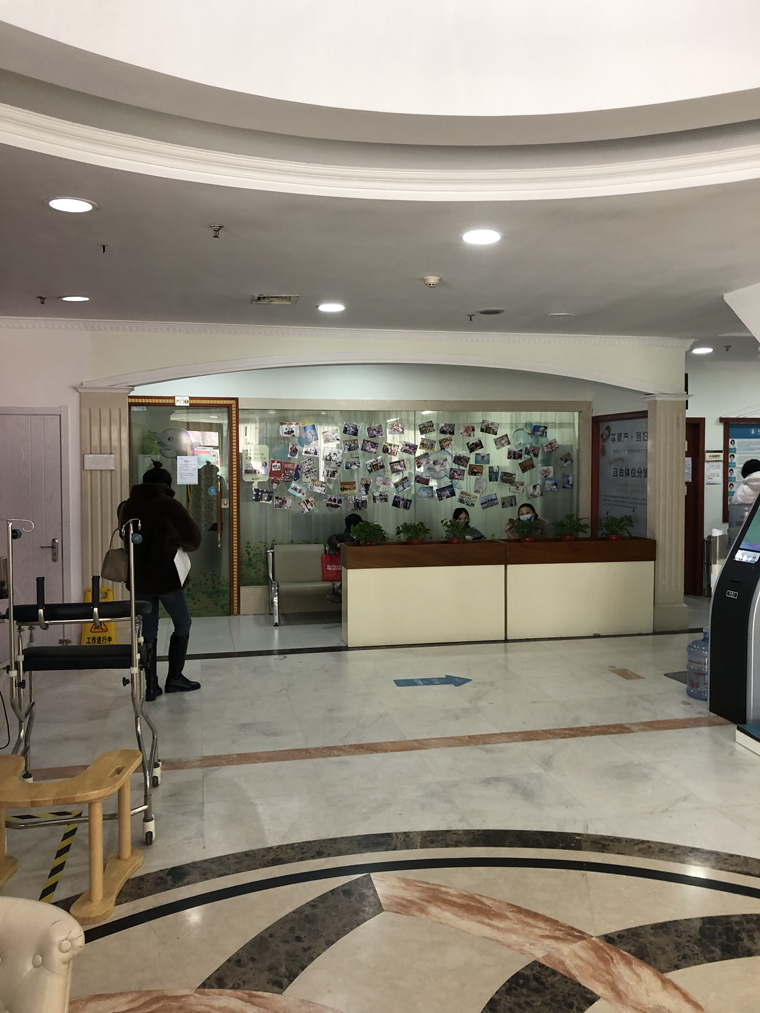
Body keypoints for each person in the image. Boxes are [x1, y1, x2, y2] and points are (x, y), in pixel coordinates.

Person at [118, 461, 202, 700]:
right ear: (167, 485)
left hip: (139, 578)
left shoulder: (127, 506)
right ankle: (174, 678)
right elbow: (193, 540)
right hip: (167, 578)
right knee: (182, 623)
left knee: (148, 631)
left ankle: (151, 685)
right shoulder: (170, 505)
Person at [326, 513, 362, 602]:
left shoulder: (365, 533)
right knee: (349, 572)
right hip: (351, 564)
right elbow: (331, 538)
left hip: (362, 563)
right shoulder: (346, 535)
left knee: (351, 573)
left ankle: (340, 594)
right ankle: (340, 594)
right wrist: (338, 545)